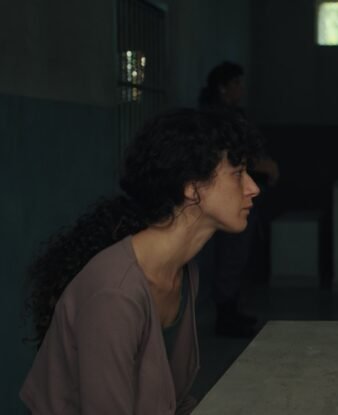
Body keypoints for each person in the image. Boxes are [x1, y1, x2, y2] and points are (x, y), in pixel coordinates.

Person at [21, 108, 262, 414]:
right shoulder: (115, 293)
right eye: (238, 174)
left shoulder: (184, 272)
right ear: (191, 187)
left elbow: (171, 401)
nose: (253, 188)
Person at [199, 61, 279, 337]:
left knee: (236, 253)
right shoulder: (218, 119)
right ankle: (226, 313)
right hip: (226, 198)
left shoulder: (230, 116)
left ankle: (230, 309)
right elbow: (232, 158)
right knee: (230, 253)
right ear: (222, 88)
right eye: (236, 84)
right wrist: (263, 166)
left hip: (233, 196)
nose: (241, 89)